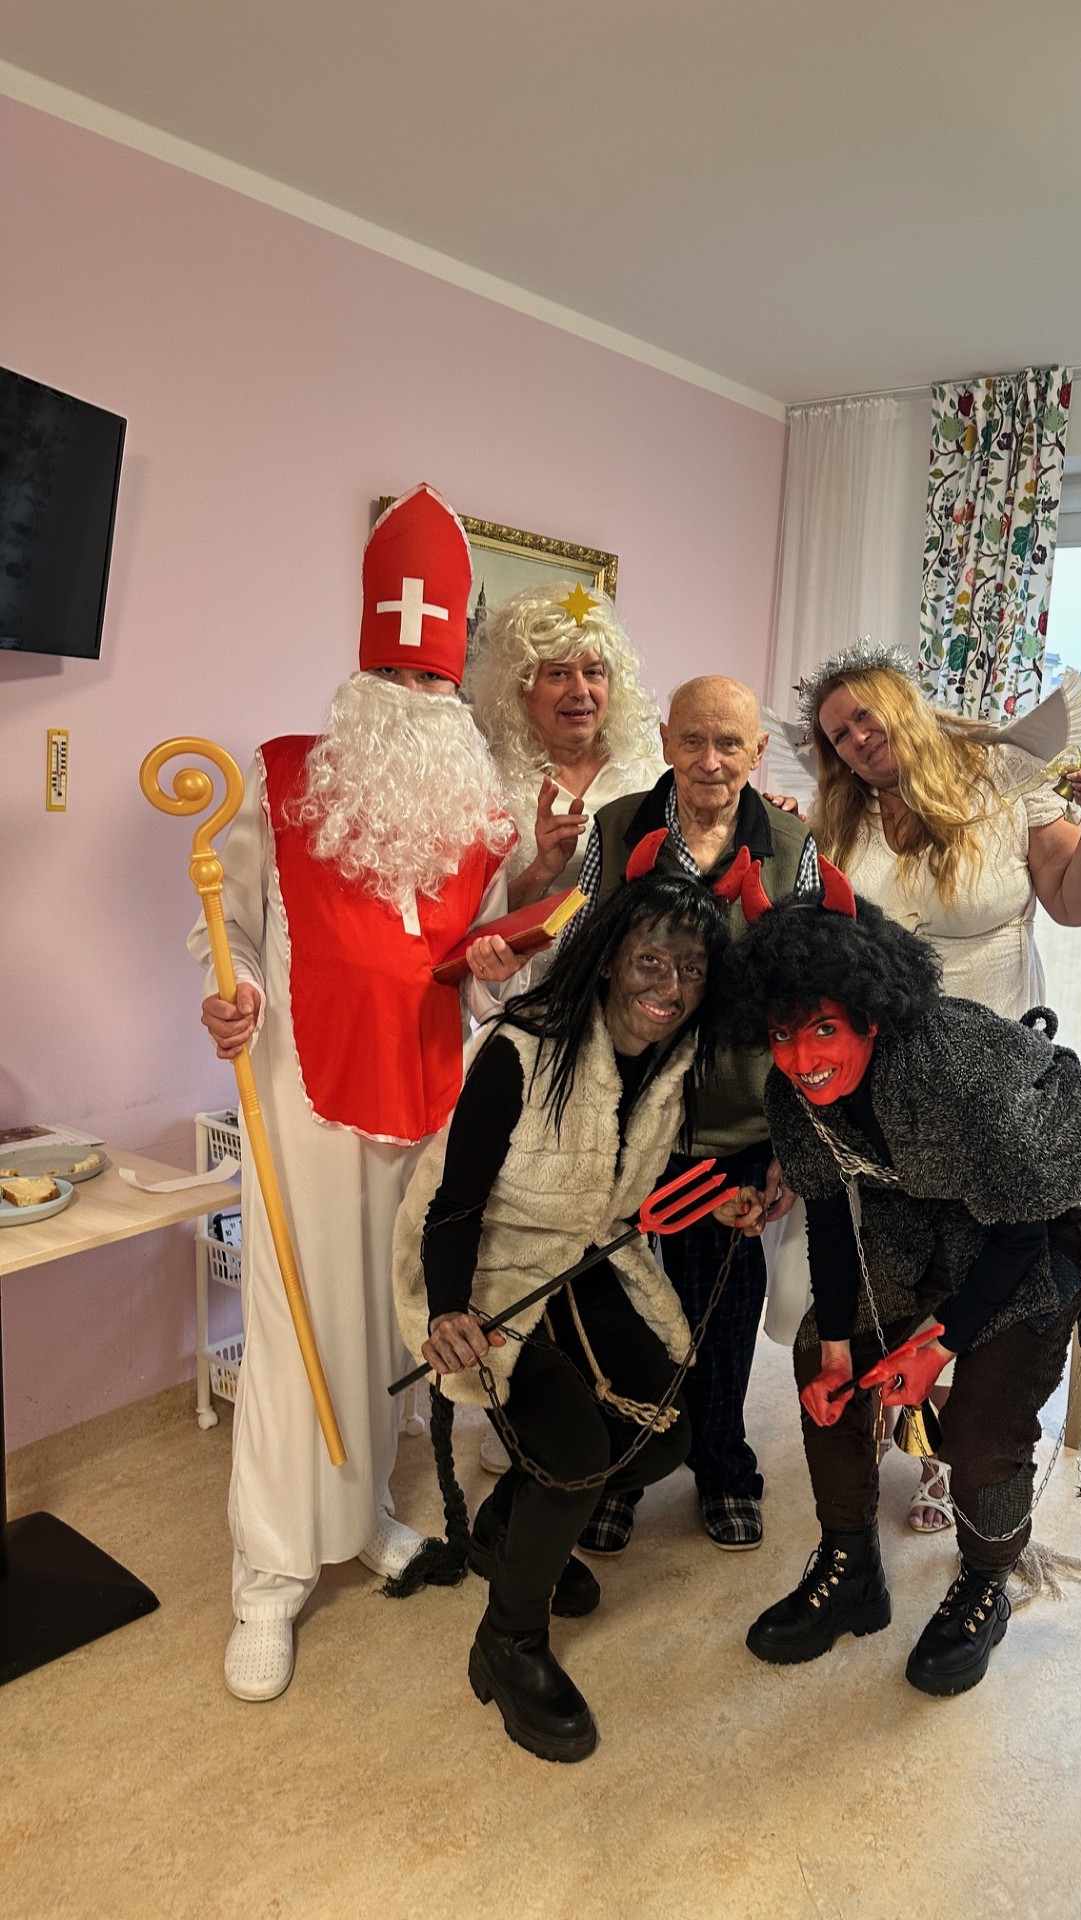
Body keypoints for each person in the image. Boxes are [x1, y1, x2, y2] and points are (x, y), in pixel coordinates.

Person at [191, 484, 522, 1703]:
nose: (417, 699)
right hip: (303, 1104)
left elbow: (485, 976)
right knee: (296, 1336)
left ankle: (367, 1513)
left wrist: (498, 971)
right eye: (397, 677)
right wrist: (233, 999)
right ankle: (270, 1576)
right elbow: (229, 935)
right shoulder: (279, 778)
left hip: (426, 1101)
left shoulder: (483, 817)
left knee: (391, 1329)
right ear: (361, 671)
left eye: (434, 682)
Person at [718, 867, 1081, 1696]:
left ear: (871, 1013)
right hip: (922, 1204)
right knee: (820, 1357)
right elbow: (832, 1215)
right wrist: (837, 1349)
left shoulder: (951, 1066)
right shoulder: (792, 1093)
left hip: (1048, 1214)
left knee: (982, 1423)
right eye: (782, 1034)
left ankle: (986, 1580)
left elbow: (1020, 1230)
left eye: (825, 1029)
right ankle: (851, 1568)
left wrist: (935, 1345)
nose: (803, 1060)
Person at [389, 871, 765, 1762]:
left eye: (692, 970)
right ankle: (508, 1639)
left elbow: (625, 1170)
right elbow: (452, 1205)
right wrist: (447, 1312)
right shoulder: (520, 1049)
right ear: (606, 962)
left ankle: (505, 1530)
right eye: (650, 962)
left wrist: (715, 1200)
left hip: (589, 1257)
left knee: (664, 1439)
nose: (671, 988)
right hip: (491, 1273)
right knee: (574, 1455)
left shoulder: (675, 1060)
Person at [796, 639, 1081, 1529]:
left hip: (992, 1076)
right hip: (879, 1079)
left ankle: (948, 1451)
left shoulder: (1006, 781)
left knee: (976, 1265)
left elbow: (1078, 903)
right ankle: (885, 1406)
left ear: (905, 704)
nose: (857, 740)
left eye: (865, 717)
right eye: (838, 735)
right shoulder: (841, 817)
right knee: (892, 1259)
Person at [563, 676, 818, 1552]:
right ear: (667, 740)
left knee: (722, 1305)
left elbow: (806, 998)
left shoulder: (791, 845)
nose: (711, 761)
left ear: (758, 752)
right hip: (628, 1113)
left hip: (738, 1123)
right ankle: (624, 1470)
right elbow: (578, 956)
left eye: (731, 744)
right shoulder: (616, 828)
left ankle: (721, 1466)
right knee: (622, 1299)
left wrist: (792, 1136)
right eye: (695, 740)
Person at [476, 582, 665, 910]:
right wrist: (542, 870)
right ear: (522, 688)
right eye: (559, 674)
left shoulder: (649, 771)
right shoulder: (490, 782)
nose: (580, 690)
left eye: (593, 672)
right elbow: (479, 921)